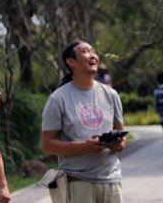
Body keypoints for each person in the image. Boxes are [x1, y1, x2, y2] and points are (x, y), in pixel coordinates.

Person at [41, 41, 127, 203]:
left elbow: (120, 134)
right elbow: (47, 145)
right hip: (77, 182)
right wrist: (83, 146)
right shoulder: (58, 99)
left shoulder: (111, 94)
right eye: (86, 51)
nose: (93, 55)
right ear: (71, 62)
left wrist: (118, 144)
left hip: (111, 180)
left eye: (93, 51)